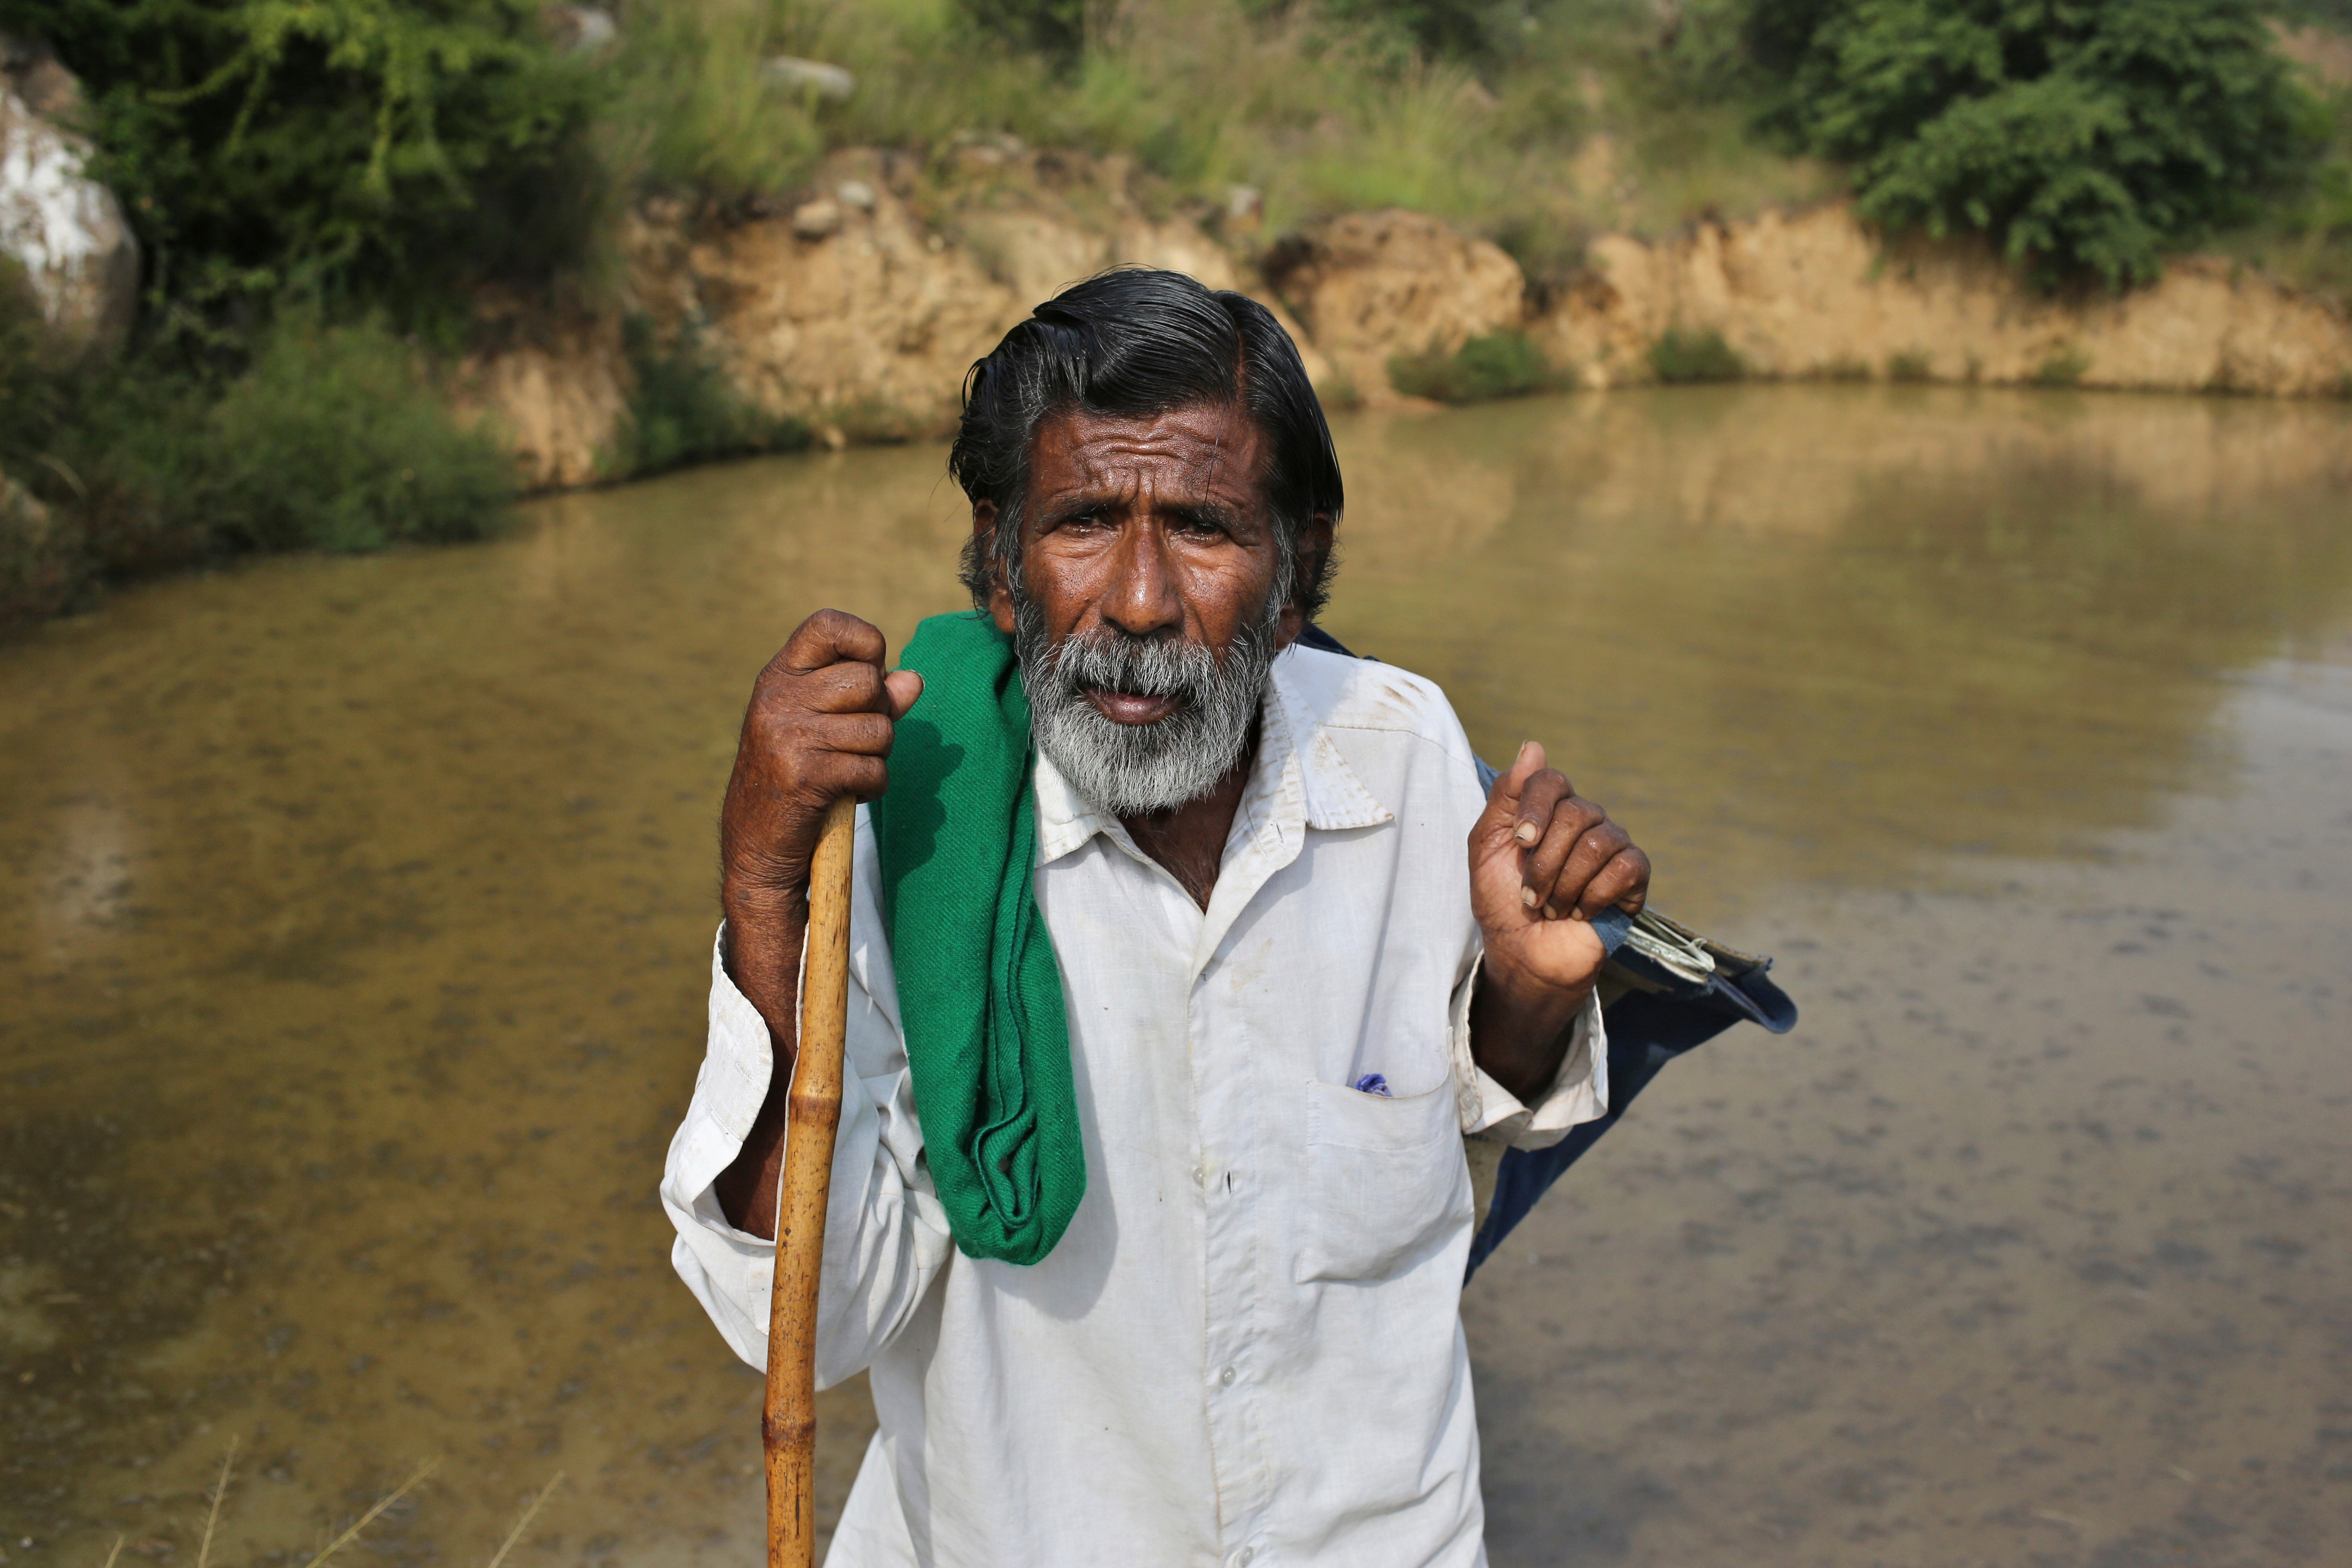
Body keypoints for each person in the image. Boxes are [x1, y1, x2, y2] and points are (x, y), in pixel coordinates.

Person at [661, 268, 1652, 1567]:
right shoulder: (911, 828)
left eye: (1202, 527)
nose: (1137, 601)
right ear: (1002, 569)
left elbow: (1476, 1128)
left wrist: (1528, 992)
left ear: (1298, 571)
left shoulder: (1405, 755)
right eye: (1080, 523)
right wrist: (761, 886)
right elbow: (811, 1319)